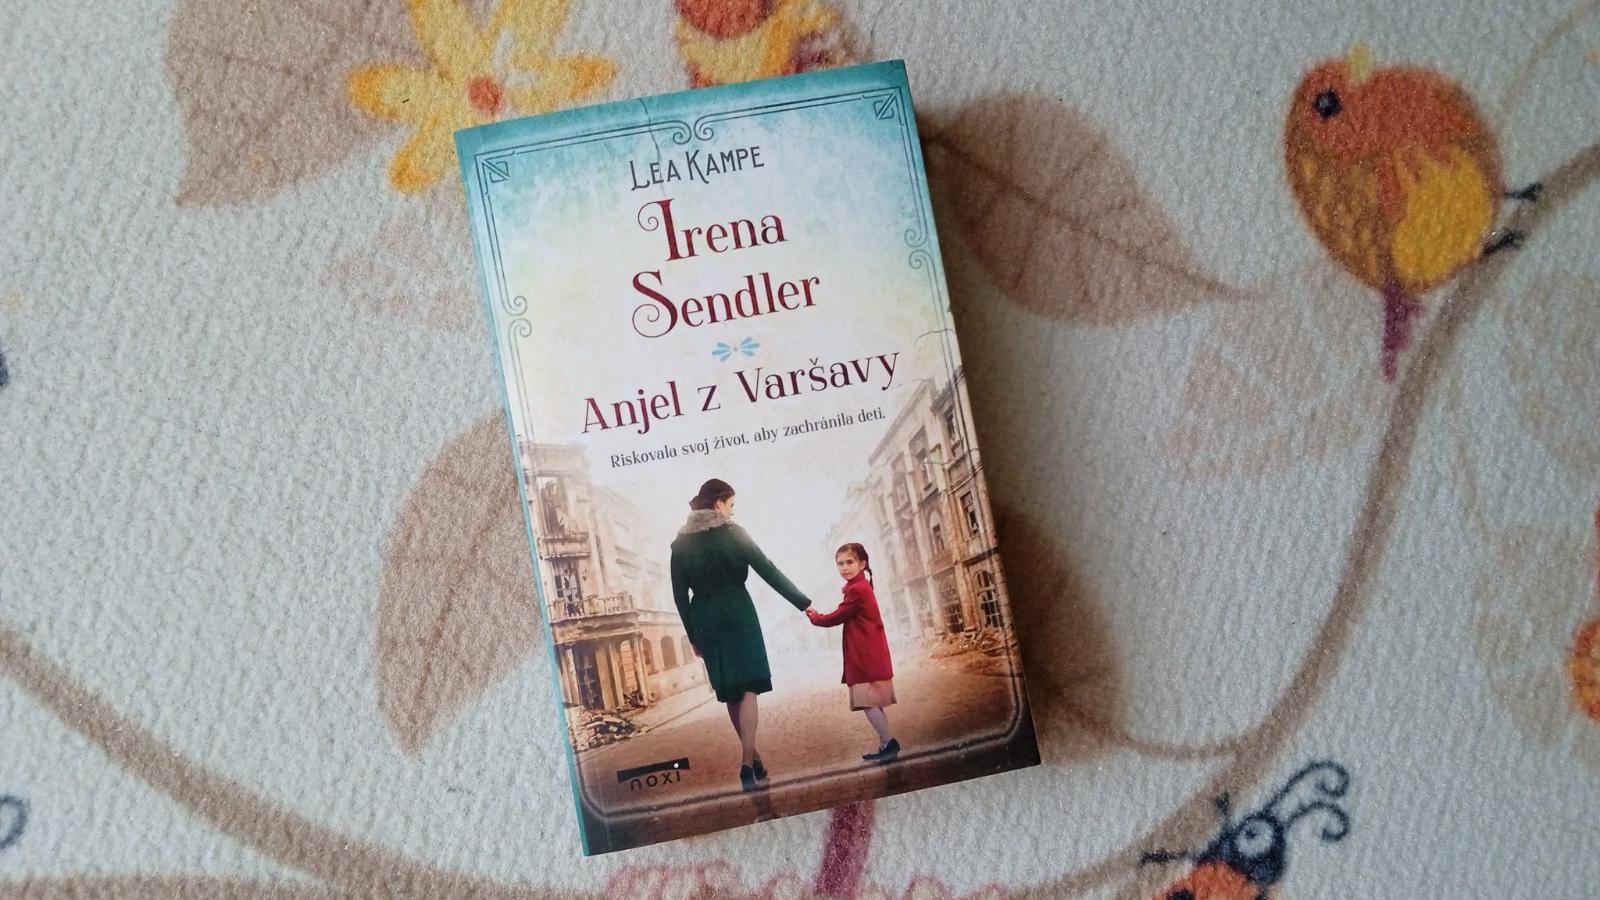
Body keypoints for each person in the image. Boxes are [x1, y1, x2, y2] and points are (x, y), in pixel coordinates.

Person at [670, 478, 813, 791]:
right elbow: (768, 569)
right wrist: (803, 603)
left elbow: (680, 597)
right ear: (718, 503)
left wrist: (693, 636)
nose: (732, 512)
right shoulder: (734, 533)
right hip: (738, 612)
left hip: (705, 618)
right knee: (747, 687)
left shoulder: (680, 545)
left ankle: (754, 759)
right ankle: (747, 762)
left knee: (731, 691)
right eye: (731, 505)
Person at [806, 542, 900, 762]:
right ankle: (885, 745)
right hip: (870, 653)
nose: (844, 567)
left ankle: (890, 742)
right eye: (840, 564)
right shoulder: (860, 586)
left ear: (862, 563)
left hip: (864, 656)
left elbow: (837, 616)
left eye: (850, 562)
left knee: (867, 703)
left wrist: (814, 616)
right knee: (874, 703)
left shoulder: (857, 590)